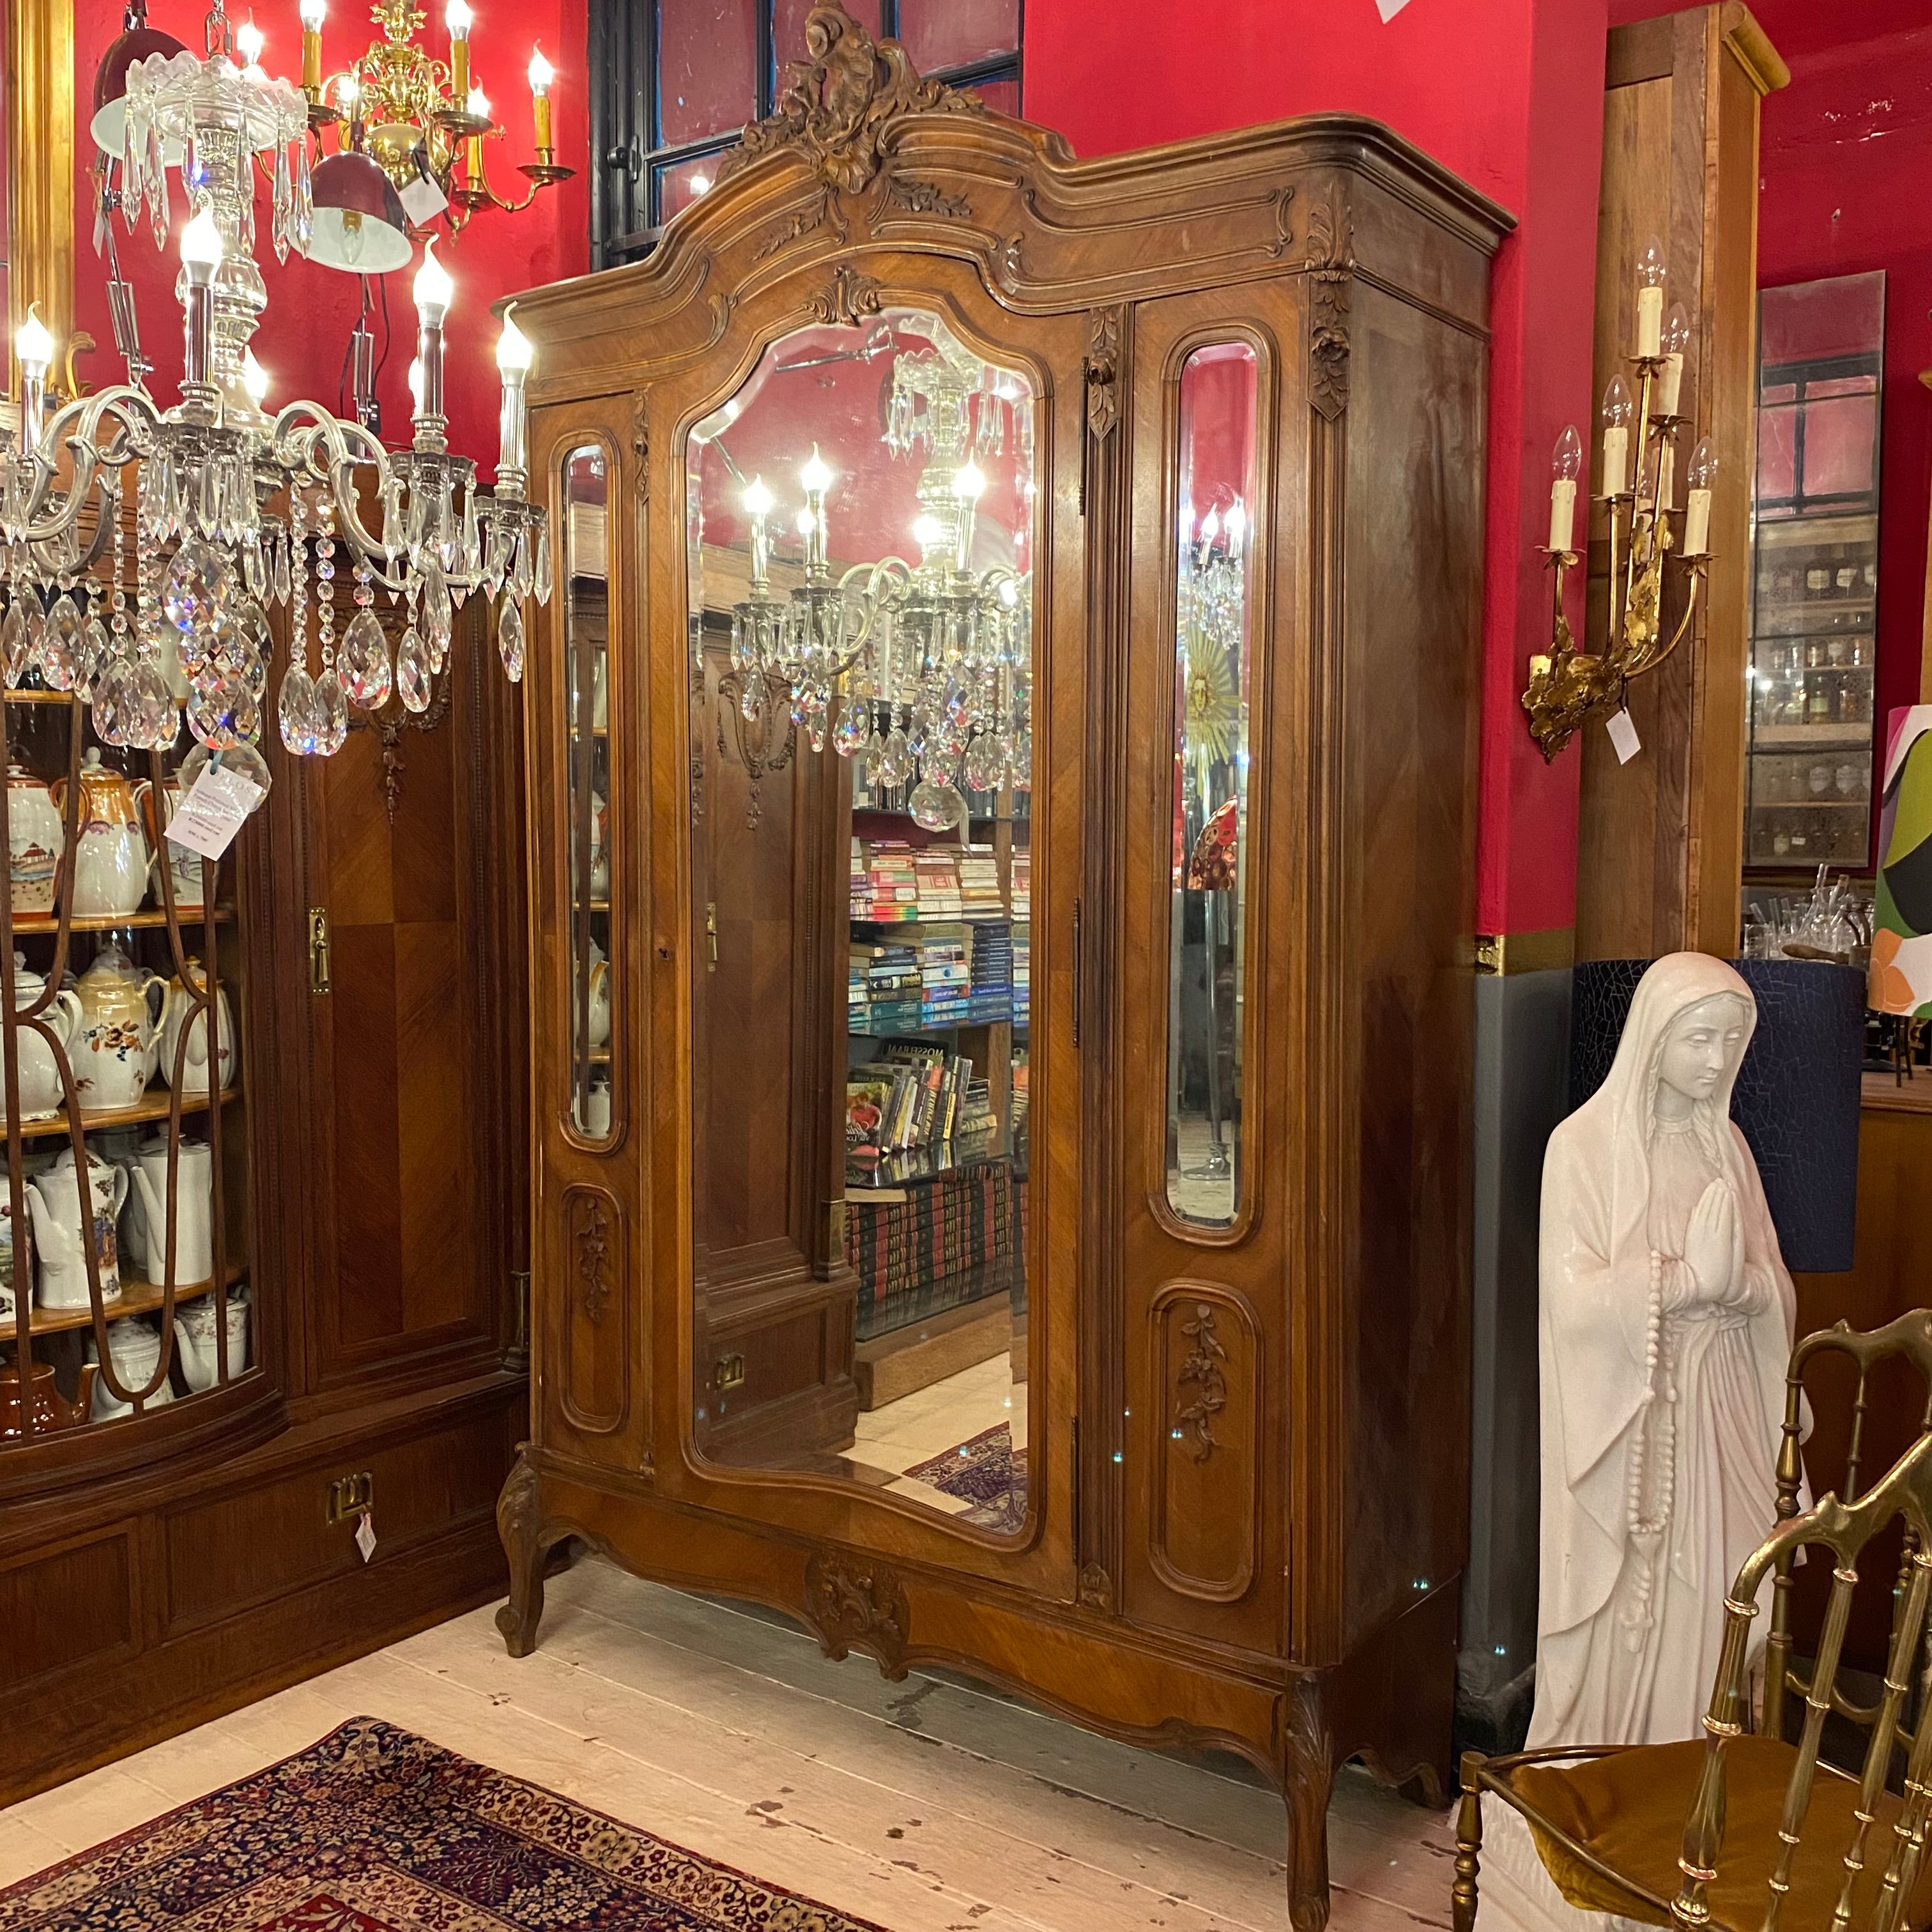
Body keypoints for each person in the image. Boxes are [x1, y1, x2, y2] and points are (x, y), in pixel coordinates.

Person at [1481, 951, 1797, 1930]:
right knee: (1631, 1617)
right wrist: (1671, 1284)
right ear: (1654, 1038)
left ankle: (1686, 1799)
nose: (1714, 1062)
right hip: (1630, 1440)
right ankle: (1602, 1804)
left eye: (1732, 1045)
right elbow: (1568, 1298)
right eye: (1699, 1039)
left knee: (1714, 1606)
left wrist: (1736, 1289)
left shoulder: (1729, 1150)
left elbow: (1773, 1285)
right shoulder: (1581, 1150)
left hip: (1718, 1420)